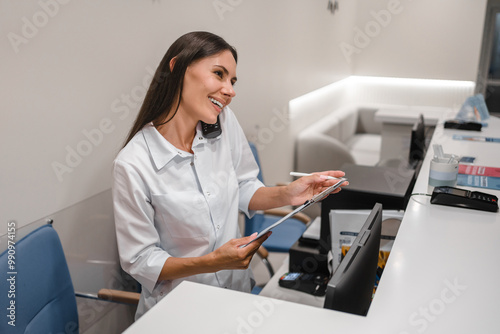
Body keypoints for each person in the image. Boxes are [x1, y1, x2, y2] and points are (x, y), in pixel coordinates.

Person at [112, 31, 346, 319]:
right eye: (219, 74)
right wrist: (212, 262)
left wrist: (289, 193)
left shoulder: (223, 123)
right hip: (179, 312)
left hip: (235, 297)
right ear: (177, 68)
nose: (230, 90)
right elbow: (141, 260)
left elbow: (245, 187)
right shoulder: (133, 164)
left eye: (232, 81)